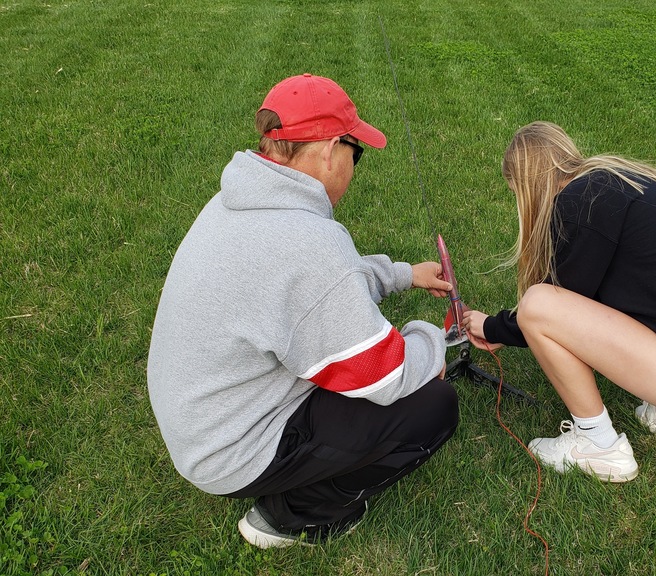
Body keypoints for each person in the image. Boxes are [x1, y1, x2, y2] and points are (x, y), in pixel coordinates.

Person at [147, 74, 459, 548]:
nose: (354, 169)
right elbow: (386, 374)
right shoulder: (307, 245)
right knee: (432, 406)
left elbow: (321, 291)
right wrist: (437, 343)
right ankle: (292, 515)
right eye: (357, 155)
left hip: (202, 423)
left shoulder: (240, 202)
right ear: (333, 150)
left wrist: (401, 275)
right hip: (230, 451)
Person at [462, 121, 656, 483]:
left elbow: (559, 302)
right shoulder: (619, 179)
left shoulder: (579, 203)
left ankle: (598, 444)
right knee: (543, 307)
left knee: (537, 304)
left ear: (525, 184)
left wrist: (492, 326)